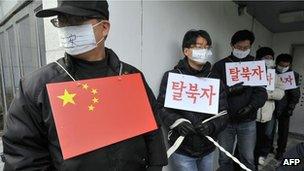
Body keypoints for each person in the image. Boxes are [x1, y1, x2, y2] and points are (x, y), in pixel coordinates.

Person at [2, 0, 167, 170]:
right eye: (62, 20)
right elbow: (23, 158)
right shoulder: (36, 87)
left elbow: (152, 130)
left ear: (104, 28)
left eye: (77, 20)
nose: (67, 28)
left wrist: (156, 166)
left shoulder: (131, 76)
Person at [156, 29, 229, 171]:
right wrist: (177, 122)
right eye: (199, 46)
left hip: (208, 147)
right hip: (182, 147)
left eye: (207, 47)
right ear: (186, 51)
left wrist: (211, 126)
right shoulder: (172, 77)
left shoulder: (215, 79)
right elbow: (160, 108)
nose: (204, 50)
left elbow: (224, 113)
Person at [211, 29, 268, 171]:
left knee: (247, 157)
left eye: (246, 48)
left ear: (250, 47)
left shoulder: (257, 65)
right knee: (224, 158)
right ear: (232, 45)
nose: (242, 50)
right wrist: (229, 91)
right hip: (225, 121)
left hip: (248, 121)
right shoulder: (219, 66)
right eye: (239, 47)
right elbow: (213, 92)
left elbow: (261, 93)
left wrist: (250, 107)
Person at [254, 47, 285, 166]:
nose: (269, 60)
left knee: (265, 136)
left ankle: (261, 155)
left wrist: (267, 94)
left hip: (267, 113)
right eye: (265, 58)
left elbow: (281, 92)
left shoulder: (274, 75)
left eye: (271, 58)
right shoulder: (252, 72)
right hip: (252, 112)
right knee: (251, 139)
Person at [273, 53, 301, 160]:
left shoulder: (294, 75)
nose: (283, 68)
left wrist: (291, 107)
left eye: (286, 66)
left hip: (285, 106)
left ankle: (280, 151)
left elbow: (295, 93)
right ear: (277, 63)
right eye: (281, 65)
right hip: (272, 104)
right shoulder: (271, 72)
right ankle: (268, 148)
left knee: (283, 131)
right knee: (269, 131)